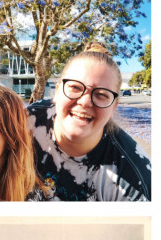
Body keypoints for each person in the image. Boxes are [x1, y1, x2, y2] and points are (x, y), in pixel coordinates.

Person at [28, 42, 151, 201]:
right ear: (57, 91)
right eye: (75, 88)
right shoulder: (25, 122)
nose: (85, 102)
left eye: (101, 94)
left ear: (114, 106)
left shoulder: (133, 179)